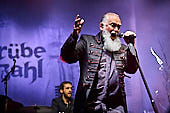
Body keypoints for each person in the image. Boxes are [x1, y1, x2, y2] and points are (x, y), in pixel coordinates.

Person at [60, 12, 138, 113]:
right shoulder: (87, 42)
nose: (116, 29)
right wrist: (74, 35)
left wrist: (132, 45)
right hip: (90, 107)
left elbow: (132, 69)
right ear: (102, 26)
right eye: (113, 25)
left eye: (118, 27)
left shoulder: (122, 49)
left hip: (116, 108)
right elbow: (67, 57)